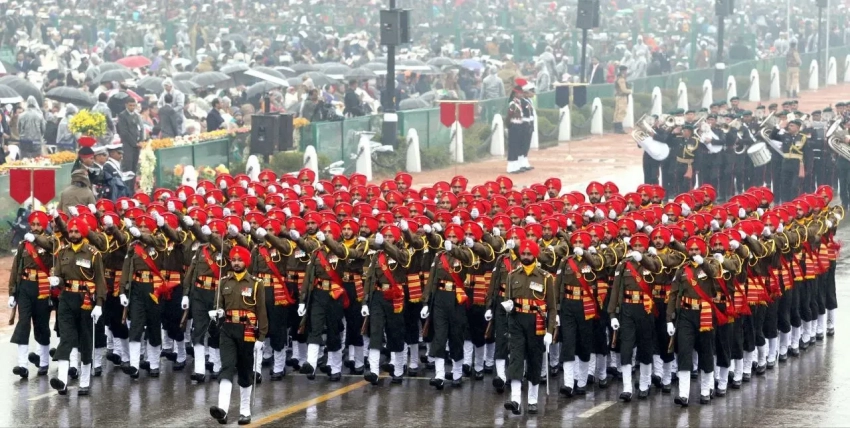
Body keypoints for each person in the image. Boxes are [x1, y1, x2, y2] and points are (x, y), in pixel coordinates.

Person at [208, 246, 267, 425]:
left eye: (240, 260)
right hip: (227, 329)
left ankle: (245, 411)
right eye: (233, 260)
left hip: (247, 331)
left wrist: (261, 337)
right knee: (226, 367)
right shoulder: (224, 281)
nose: (236, 263)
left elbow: (261, 311)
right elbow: (219, 305)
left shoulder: (256, 283)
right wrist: (217, 312)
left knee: (244, 371)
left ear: (246, 262)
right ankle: (222, 410)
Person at [48, 217, 106, 396]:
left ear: (83, 233)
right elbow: (59, 276)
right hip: (66, 299)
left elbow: (100, 280)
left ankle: (84, 381)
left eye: (76, 231)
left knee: (85, 340)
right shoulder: (62, 252)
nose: (73, 234)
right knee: (66, 338)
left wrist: (99, 304)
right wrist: (56, 280)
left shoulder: (93, 253)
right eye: (71, 231)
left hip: (85, 301)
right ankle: (62, 381)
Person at [502, 239, 557, 415]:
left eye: (529, 254)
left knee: (534, 360)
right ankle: (516, 400)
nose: (525, 256)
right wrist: (508, 306)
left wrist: (550, 331)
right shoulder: (512, 275)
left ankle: (532, 399)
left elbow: (552, 307)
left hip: (536, 323)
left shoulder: (545, 277)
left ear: (535, 256)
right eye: (523, 254)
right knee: (516, 358)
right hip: (517, 321)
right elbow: (508, 299)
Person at [9, 211, 55, 379]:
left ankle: (43, 362)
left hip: (42, 287)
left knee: (41, 324)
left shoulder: (50, 241)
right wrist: (12, 293)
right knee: (23, 323)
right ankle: (22, 365)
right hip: (25, 286)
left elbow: (52, 247)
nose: (35, 227)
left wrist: (35, 238)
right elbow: (16, 269)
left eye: (38, 224)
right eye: (33, 224)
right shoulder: (24, 244)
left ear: (44, 226)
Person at [117, 98, 142, 175]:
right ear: (126, 105)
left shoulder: (137, 115)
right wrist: (134, 143)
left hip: (137, 145)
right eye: (130, 105)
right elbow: (124, 132)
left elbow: (141, 129)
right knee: (128, 167)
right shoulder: (122, 115)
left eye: (134, 105)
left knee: (135, 167)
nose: (132, 107)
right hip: (127, 145)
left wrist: (141, 141)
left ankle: (132, 182)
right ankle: (127, 183)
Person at [613, 66, 631, 134]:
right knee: (621, 112)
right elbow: (624, 90)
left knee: (617, 112)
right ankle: (619, 128)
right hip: (622, 97)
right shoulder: (621, 79)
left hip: (618, 96)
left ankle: (616, 128)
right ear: (623, 71)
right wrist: (630, 91)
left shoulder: (618, 78)